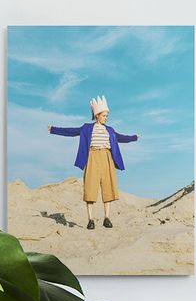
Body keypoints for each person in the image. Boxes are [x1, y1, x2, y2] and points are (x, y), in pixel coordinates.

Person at [48, 96, 138, 230]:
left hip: (107, 158)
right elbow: (71, 131)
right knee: (90, 188)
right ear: (97, 115)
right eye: (104, 115)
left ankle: (107, 218)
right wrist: (54, 129)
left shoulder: (110, 130)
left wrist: (134, 137)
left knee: (108, 188)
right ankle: (91, 220)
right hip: (92, 157)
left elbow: (121, 137)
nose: (106, 117)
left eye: (107, 115)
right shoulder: (87, 128)